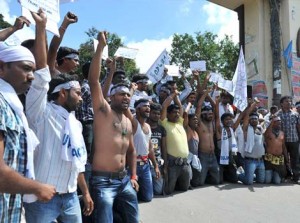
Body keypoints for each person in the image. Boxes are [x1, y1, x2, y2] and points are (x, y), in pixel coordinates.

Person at [24, 10, 92, 223]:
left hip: (71, 196)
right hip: (43, 198)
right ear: (62, 93)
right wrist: (43, 27)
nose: (81, 99)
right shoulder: (40, 112)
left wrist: (86, 193)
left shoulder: (75, 124)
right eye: (78, 94)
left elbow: (77, 161)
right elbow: (44, 71)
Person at [0, 10, 56, 223]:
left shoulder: (13, 105)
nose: (31, 76)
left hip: (11, 208)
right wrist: (36, 187)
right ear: (1, 67)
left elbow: (42, 72)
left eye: (31, 69)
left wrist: (41, 28)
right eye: (25, 68)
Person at [88, 31, 139, 223]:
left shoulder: (127, 120)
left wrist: (133, 175)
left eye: (128, 95)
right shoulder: (103, 111)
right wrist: (101, 47)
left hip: (124, 180)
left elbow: (132, 151)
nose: (126, 97)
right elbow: (93, 81)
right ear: (111, 97)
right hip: (103, 181)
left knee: (133, 218)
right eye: (121, 94)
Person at [125, 99, 160, 202]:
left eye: (149, 106)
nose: (148, 108)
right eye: (145, 106)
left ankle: (136, 190)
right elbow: (126, 108)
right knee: (131, 198)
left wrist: (156, 166)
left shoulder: (148, 126)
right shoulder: (134, 123)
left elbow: (150, 149)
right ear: (137, 109)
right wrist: (131, 90)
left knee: (148, 198)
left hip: (145, 166)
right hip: (132, 165)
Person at [160, 90, 191, 194]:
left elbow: (180, 106)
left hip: (185, 163)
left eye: (178, 112)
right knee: (168, 190)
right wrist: (173, 94)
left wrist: (177, 96)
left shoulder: (180, 123)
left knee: (184, 188)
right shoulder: (164, 123)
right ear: (168, 114)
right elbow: (164, 106)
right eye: (174, 112)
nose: (177, 114)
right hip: (172, 163)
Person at [194, 90, 220, 186]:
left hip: (212, 155)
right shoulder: (199, 123)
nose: (211, 116)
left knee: (217, 181)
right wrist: (204, 94)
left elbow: (216, 108)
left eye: (211, 114)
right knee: (200, 182)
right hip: (203, 155)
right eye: (208, 114)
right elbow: (199, 106)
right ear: (203, 114)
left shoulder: (212, 123)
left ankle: (207, 176)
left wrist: (210, 96)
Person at [276, 96, 300, 183]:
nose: (289, 103)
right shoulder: (278, 115)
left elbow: (298, 127)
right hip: (282, 141)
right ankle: (286, 175)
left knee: (295, 159)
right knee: (283, 159)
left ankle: (296, 177)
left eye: (290, 101)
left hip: (294, 140)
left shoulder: (295, 114)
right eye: (286, 101)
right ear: (282, 104)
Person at [238, 109, 265, 185]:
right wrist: (250, 107)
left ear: (258, 120)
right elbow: (246, 118)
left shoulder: (260, 129)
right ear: (249, 120)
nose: (253, 120)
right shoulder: (246, 129)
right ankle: (239, 174)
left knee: (261, 181)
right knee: (249, 182)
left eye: (255, 119)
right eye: (251, 119)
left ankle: (250, 174)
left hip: (260, 160)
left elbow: (263, 121)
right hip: (250, 160)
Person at [47, 12, 79, 76]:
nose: (78, 64)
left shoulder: (71, 80)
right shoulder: (51, 73)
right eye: (75, 60)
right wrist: (65, 23)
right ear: (65, 59)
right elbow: (53, 48)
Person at [147, 103, 167, 195]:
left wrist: (165, 166)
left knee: (158, 190)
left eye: (158, 114)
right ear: (149, 113)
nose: (156, 116)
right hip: (145, 161)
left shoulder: (161, 129)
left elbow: (164, 147)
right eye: (154, 113)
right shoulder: (144, 126)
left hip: (158, 162)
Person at [264, 116, 289, 184]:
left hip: (278, 159)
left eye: (280, 123)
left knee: (277, 182)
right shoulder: (269, 132)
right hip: (269, 158)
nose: (279, 125)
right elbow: (265, 135)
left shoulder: (282, 133)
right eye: (277, 123)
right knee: (267, 181)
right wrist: (272, 122)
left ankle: (275, 175)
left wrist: (287, 159)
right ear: (273, 123)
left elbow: (283, 147)